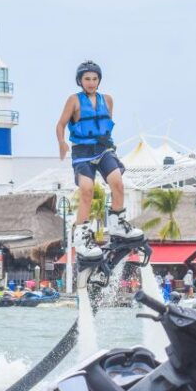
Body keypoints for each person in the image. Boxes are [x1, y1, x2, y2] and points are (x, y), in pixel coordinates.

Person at [55, 60, 143, 259]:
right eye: (87, 79)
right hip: (82, 152)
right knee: (86, 191)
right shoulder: (74, 100)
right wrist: (62, 143)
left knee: (117, 183)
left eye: (95, 79)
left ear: (99, 80)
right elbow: (60, 124)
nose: (91, 82)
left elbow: (105, 125)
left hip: (103, 150)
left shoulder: (108, 100)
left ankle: (118, 225)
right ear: (80, 80)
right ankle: (82, 238)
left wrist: (110, 148)